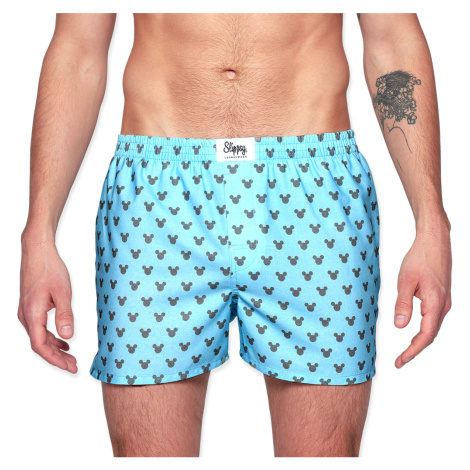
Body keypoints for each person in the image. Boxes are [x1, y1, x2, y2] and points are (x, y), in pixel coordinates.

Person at [18, 13, 452, 457]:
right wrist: (39, 234)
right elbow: (78, 51)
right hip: (157, 194)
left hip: (314, 190)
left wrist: (431, 221)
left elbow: (392, 41)